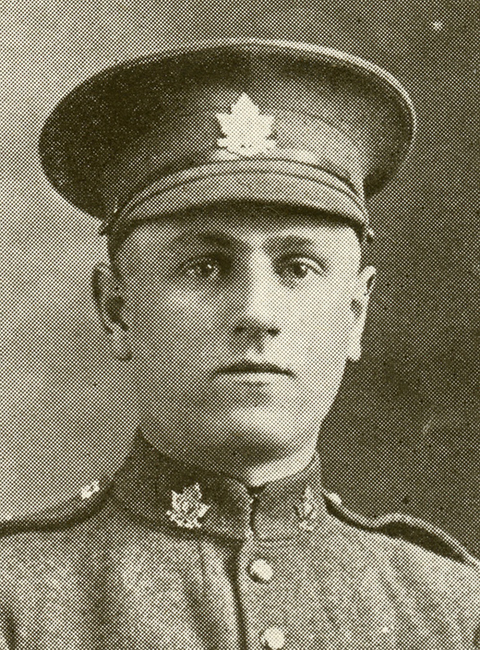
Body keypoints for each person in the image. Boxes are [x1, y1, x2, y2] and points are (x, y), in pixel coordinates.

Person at [0, 38, 478, 649]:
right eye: (204, 267)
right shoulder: (18, 600)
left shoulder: (452, 612)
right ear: (118, 311)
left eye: (299, 268)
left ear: (355, 314)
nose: (256, 314)